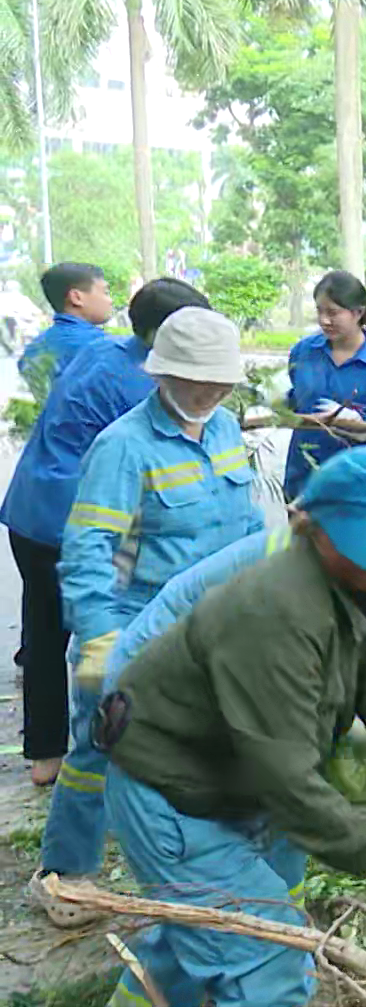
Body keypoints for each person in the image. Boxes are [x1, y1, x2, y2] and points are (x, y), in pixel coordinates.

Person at [96, 446, 366, 1007]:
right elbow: (288, 780)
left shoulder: (363, 582)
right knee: (267, 959)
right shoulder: (274, 609)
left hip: (229, 779)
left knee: (199, 939)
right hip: (173, 795)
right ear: (318, 531)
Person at [30, 521, 366, 927]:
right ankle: (71, 869)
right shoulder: (285, 591)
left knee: (268, 850)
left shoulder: (337, 568)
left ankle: (277, 922)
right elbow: (290, 766)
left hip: (223, 690)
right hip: (166, 697)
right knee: (244, 891)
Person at [3, 279, 211, 788]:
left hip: (30, 510)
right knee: (113, 631)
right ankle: (118, 750)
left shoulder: (101, 349)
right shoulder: (145, 384)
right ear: (168, 335)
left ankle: (45, 757)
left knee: (45, 634)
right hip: (76, 521)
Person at [58, 305, 266, 761]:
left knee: (188, 763)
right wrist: (100, 641)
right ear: (163, 375)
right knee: (100, 759)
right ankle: (78, 831)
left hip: (210, 629)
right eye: (199, 381)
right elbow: (86, 551)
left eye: (222, 383)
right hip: (137, 627)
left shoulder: (226, 429)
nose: (213, 392)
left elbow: (247, 523)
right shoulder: (124, 446)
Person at [284, 270, 366, 501]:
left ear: (358, 313)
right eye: (319, 311)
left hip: (352, 486)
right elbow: (295, 400)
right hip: (303, 480)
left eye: (333, 313)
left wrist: (360, 424)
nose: (323, 320)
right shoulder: (304, 352)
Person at [19, 262, 114, 400]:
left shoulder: (33, 350)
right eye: (106, 292)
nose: (110, 300)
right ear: (76, 297)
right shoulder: (103, 347)